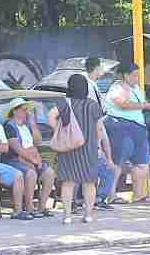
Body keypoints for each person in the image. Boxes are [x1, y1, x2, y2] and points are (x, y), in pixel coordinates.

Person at [48, 74, 118, 225]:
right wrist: (97, 145)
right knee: (89, 182)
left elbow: (51, 116)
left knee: (68, 182)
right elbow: (99, 127)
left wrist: (60, 131)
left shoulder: (64, 103)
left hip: (68, 149)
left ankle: (67, 215)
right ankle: (88, 214)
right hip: (88, 148)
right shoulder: (92, 104)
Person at [104, 62, 150, 203]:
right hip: (120, 126)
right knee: (117, 161)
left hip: (138, 128)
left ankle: (137, 195)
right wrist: (142, 105)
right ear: (126, 75)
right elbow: (121, 103)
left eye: (138, 75)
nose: (137, 78)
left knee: (142, 163)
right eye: (134, 75)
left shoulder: (136, 88)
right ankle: (111, 195)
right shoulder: (118, 86)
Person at [2, 99, 57, 218]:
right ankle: (29, 207)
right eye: (24, 109)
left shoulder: (27, 126)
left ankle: (41, 207)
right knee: (31, 173)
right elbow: (17, 149)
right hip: (15, 160)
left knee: (50, 173)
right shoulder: (9, 126)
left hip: (32, 158)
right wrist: (34, 161)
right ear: (15, 111)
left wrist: (33, 125)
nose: (27, 112)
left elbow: (38, 142)